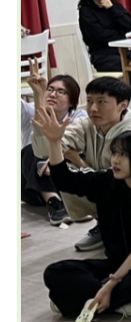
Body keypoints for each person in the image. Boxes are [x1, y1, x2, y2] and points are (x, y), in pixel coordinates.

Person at [37, 109, 131, 322]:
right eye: (114, 153)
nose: (115, 160)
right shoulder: (107, 181)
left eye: (123, 155)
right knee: (55, 272)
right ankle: (122, 303)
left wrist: (110, 284)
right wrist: (54, 142)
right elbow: (65, 180)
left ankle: (84, 300)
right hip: (118, 263)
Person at [30, 74, 131, 252]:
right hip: (105, 187)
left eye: (101, 102)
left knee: (71, 172)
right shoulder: (88, 124)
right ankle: (104, 224)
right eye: (89, 101)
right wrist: (39, 97)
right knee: (60, 165)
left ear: (122, 105)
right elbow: (42, 150)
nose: (93, 108)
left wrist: (77, 160)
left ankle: (123, 227)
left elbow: (114, 182)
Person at [22, 63, 86, 225]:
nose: (52, 94)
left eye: (60, 91)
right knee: (30, 150)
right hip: (30, 184)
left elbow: (67, 150)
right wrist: (38, 93)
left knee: (53, 151)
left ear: (72, 101)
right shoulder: (31, 109)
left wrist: (52, 160)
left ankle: (57, 202)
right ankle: (54, 202)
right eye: (50, 89)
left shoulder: (79, 117)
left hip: (64, 179)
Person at [77, 0, 131, 74]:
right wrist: (120, 33)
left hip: (123, 52)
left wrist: (111, 8)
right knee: (128, 67)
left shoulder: (115, 6)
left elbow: (128, 25)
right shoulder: (86, 11)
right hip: (103, 56)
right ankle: (130, 86)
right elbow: (100, 35)